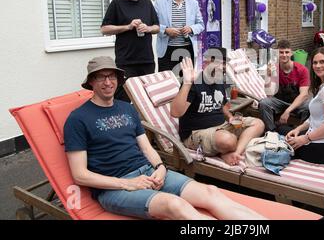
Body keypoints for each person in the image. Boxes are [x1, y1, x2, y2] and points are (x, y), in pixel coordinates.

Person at [64, 56, 265, 220]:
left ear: (118, 78)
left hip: (150, 173)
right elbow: (80, 175)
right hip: (115, 187)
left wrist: (160, 167)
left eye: (111, 76)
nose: (107, 82)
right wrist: (127, 183)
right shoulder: (78, 119)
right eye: (100, 77)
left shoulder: (127, 109)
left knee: (211, 192)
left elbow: (146, 148)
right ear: (91, 82)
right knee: (174, 205)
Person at [170, 48, 265, 166]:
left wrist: (230, 117)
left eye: (224, 63)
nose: (222, 66)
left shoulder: (219, 81)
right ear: (206, 62)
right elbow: (175, 112)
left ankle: (235, 153)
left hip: (222, 127)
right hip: (197, 133)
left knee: (258, 124)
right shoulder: (194, 83)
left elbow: (223, 105)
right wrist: (187, 83)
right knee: (228, 140)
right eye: (218, 62)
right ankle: (228, 149)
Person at [101, 0, 160, 102]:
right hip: (126, 62)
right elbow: (104, 29)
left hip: (147, 61)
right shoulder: (117, 4)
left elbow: (157, 27)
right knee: (123, 99)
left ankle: (143, 123)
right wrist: (127, 26)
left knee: (147, 99)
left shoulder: (147, 3)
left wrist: (148, 28)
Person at [155, 0, 205, 73]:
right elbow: (152, 25)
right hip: (166, 50)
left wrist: (191, 29)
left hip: (187, 49)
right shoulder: (160, 3)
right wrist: (165, 30)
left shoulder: (193, 3)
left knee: (186, 81)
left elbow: (201, 25)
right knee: (167, 82)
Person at [258, 39, 310, 132]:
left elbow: (304, 94)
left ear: (291, 53)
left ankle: (301, 133)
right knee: (264, 103)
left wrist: (287, 111)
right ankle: (272, 132)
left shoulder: (302, 70)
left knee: (309, 106)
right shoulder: (274, 68)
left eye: (287, 52)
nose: (284, 55)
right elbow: (269, 94)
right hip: (279, 101)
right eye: (281, 52)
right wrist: (268, 76)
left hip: (297, 102)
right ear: (277, 53)